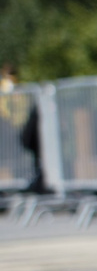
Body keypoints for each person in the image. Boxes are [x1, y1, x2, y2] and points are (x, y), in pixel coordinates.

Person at [3, 64, 47, 195]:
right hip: (11, 126)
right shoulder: (6, 87)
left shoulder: (19, 87)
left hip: (18, 125)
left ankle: (33, 182)